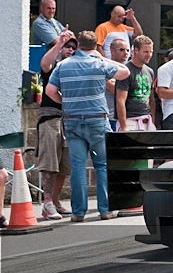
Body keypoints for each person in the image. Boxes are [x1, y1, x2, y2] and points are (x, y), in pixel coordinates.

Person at [45, 30, 130, 222]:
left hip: (72, 119)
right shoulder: (99, 63)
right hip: (97, 120)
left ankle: (78, 212)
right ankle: (105, 209)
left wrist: (65, 102)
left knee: (77, 166)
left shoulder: (63, 65)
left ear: (79, 45)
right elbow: (125, 72)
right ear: (94, 46)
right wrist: (102, 57)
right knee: (102, 165)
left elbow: (50, 91)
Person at [37, 30, 76, 220]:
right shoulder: (54, 67)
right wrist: (59, 42)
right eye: (68, 47)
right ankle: (47, 203)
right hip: (50, 118)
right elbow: (44, 64)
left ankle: (56, 200)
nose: (70, 50)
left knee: (64, 164)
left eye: (73, 48)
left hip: (69, 120)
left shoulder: (75, 69)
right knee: (50, 162)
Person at [116, 35, 156, 131]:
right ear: (136, 51)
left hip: (147, 120)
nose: (149, 55)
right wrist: (123, 125)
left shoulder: (150, 71)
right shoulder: (125, 71)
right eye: (146, 51)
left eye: (151, 52)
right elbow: (120, 100)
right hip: (130, 120)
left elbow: (151, 99)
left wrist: (153, 120)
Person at [106, 38, 130, 128]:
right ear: (112, 51)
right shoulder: (105, 68)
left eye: (127, 50)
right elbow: (114, 90)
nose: (126, 53)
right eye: (122, 50)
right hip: (110, 117)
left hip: (127, 117)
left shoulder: (129, 69)